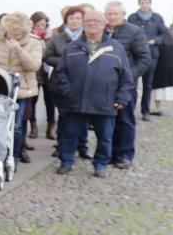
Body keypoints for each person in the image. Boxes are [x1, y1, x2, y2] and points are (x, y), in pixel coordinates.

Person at [55, 9, 134, 177]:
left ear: (104, 24)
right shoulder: (72, 47)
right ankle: (66, 161)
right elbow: (60, 73)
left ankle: (100, 164)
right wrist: (68, 91)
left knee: (105, 138)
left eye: (96, 21)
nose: (92, 24)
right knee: (70, 135)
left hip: (104, 102)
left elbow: (126, 77)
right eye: (88, 21)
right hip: (76, 101)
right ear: (83, 25)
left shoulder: (116, 48)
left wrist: (122, 98)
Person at [0, 12, 43, 164]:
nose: (16, 36)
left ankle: (15, 156)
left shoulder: (34, 43)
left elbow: (34, 65)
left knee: (17, 126)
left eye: (20, 34)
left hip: (22, 90)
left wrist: (19, 50)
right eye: (13, 33)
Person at [103, 1, 151, 170]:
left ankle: (124, 154)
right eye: (109, 14)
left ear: (123, 15)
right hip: (104, 85)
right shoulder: (101, 32)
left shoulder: (135, 32)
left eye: (115, 14)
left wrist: (129, 76)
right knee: (107, 121)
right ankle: (109, 153)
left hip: (126, 85)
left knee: (125, 120)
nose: (112, 17)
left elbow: (144, 59)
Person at [43, 6, 85, 151]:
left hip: (83, 83)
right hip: (60, 83)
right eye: (71, 18)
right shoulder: (57, 39)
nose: (75, 21)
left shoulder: (88, 37)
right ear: (66, 20)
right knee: (64, 116)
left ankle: (82, 146)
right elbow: (47, 57)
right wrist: (65, 61)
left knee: (82, 115)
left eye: (78, 18)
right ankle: (62, 146)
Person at [128, 0, 169, 119]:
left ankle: (145, 111)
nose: (144, 5)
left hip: (151, 54)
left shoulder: (157, 18)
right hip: (134, 55)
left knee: (148, 84)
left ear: (150, 3)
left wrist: (155, 41)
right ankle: (130, 109)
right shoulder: (132, 18)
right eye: (142, 2)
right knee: (131, 82)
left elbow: (164, 34)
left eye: (146, 2)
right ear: (139, 3)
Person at [31, 12, 56, 140]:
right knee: (32, 101)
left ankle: (51, 127)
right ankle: (33, 126)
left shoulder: (52, 36)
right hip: (35, 73)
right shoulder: (30, 37)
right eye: (38, 24)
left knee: (50, 101)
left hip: (49, 73)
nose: (41, 27)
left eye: (43, 24)